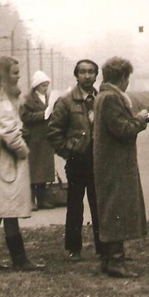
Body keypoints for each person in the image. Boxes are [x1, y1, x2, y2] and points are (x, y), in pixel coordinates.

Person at [0, 56, 43, 271]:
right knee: (6, 205)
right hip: (4, 158)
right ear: (4, 75)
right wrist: (24, 150)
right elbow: (9, 134)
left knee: (1, 207)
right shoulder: (2, 102)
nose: (19, 76)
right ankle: (17, 259)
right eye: (14, 72)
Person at [93, 56, 149, 278]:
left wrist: (136, 119)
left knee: (111, 208)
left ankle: (108, 258)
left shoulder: (102, 96)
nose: (128, 83)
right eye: (127, 78)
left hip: (109, 161)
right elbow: (122, 130)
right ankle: (116, 261)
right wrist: (141, 121)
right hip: (116, 163)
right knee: (116, 209)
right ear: (122, 77)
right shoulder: (112, 98)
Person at [47, 59, 102, 261]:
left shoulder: (102, 99)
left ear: (97, 75)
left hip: (99, 160)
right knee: (75, 206)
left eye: (91, 72)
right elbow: (53, 132)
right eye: (83, 72)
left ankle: (103, 248)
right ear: (76, 75)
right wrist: (68, 152)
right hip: (77, 160)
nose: (87, 76)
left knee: (100, 205)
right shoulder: (66, 101)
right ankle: (74, 249)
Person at [19, 70, 57, 209]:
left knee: (44, 171)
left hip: (45, 138)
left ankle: (42, 200)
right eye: (43, 85)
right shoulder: (28, 99)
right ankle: (31, 201)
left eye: (47, 85)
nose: (45, 88)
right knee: (33, 170)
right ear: (36, 86)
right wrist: (43, 115)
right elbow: (25, 117)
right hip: (33, 138)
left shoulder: (47, 98)